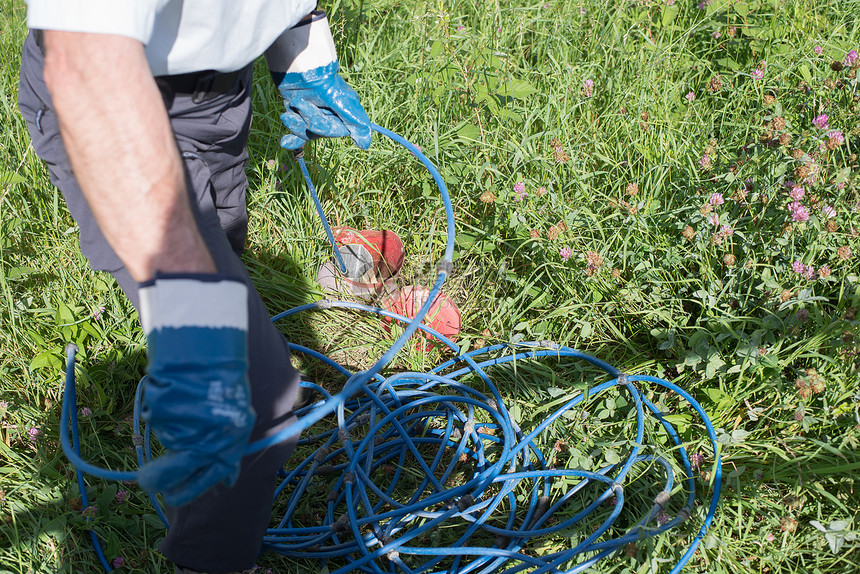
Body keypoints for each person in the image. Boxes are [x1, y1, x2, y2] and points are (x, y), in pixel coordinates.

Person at [18, 2, 372, 573]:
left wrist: (304, 49)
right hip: (113, 106)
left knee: (227, 252)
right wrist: (192, 307)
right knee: (253, 395)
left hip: (220, 98)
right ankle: (210, 561)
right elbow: (85, 58)